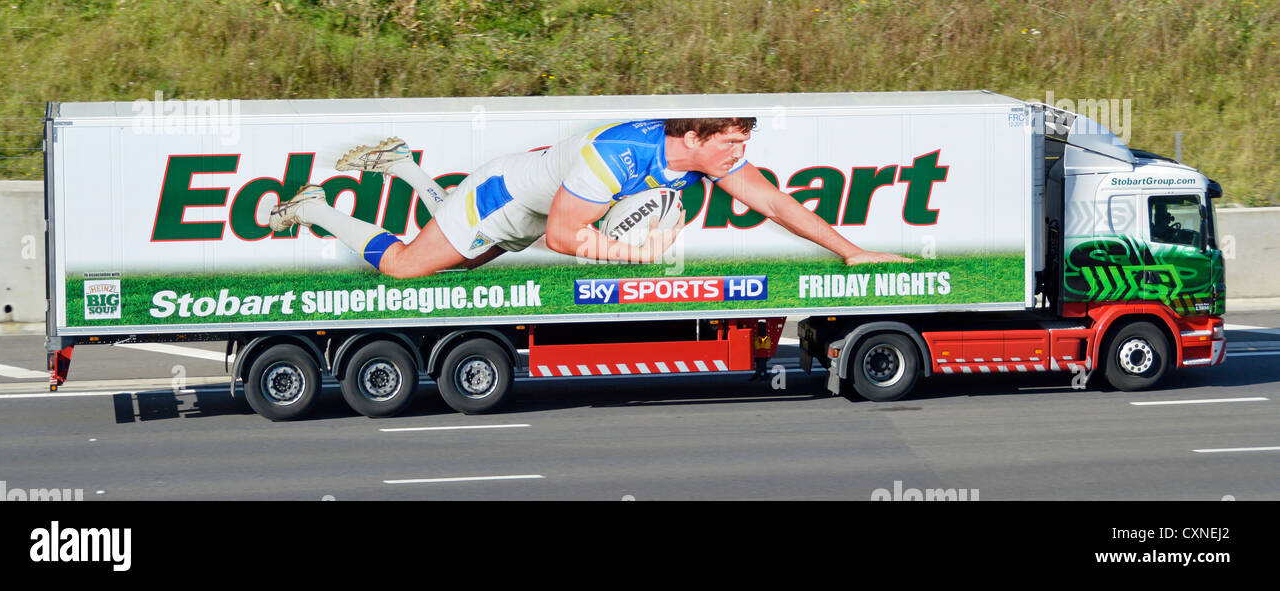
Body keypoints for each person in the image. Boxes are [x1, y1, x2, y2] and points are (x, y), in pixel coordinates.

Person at [269, 118, 912, 278]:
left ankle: (405, 168)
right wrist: (633, 258)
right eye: (732, 144)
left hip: (532, 200)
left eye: (744, 143)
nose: (739, 156)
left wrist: (852, 252)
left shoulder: (695, 157)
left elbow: (776, 205)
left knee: (461, 259)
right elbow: (559, 239)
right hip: (501, 199)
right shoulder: (615, 159)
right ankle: (313, 207)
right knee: (410, 265)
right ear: (692, 137)